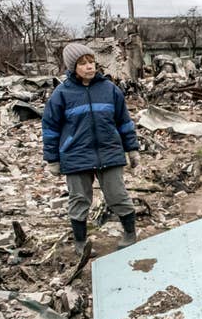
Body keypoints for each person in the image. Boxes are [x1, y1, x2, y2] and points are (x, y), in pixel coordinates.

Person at [41, 42, 142, 254]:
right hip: (76, 154)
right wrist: (52, 159)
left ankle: (130, 234)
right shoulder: (61, 94)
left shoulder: (109, 89)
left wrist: (132, 149)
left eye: (91, 61)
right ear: (72, 68)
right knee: (79, 199)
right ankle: (80, 243)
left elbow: (124, 121)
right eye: (82, 63)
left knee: (118, 195)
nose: (89, 66)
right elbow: (50, 128)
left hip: (109, 150)